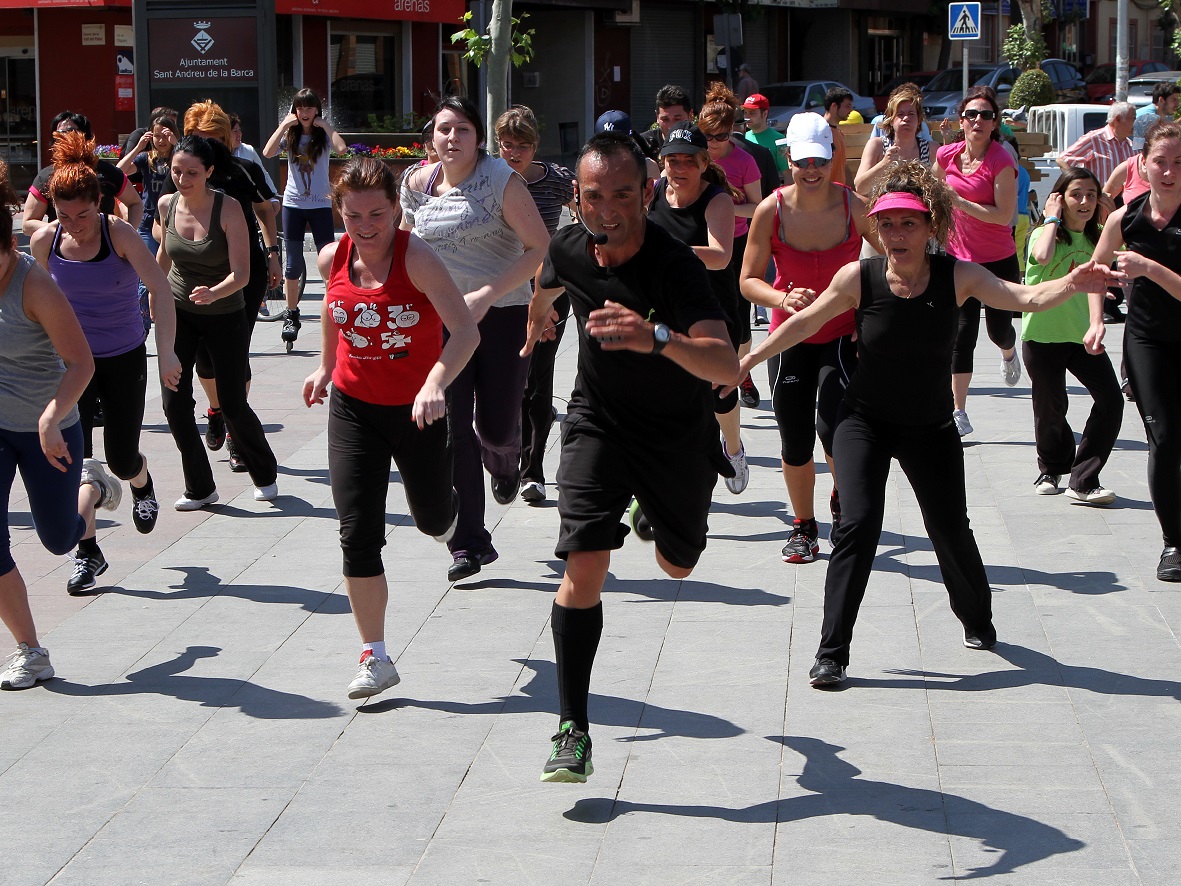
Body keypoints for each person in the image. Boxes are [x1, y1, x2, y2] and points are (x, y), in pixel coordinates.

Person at [732, 161, 1121, 687]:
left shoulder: (957, 275)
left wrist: (1073, 283)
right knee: (858, 524)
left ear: (930, 225)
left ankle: (978, 619)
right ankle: (832, 653)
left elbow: (1024, 297)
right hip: (863, 421)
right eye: (887, 224)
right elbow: (804, 322)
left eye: (908, 223)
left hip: (930, 427)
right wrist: (748, 363)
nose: (896, 234)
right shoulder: (860, 277)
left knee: (949, 528)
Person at [522, 131, 738, 781]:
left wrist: (656, 336)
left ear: (646, 193)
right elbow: (547, 281)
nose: (608, 208)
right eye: (594, 196)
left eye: (622, 193)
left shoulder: (675, 265)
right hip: (598, 423)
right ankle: (572, 730)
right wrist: (539, 319)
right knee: (583, 565)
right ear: (577, 200)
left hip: (677, 433)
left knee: (676, 564)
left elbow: (725, 363)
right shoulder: (567, 244)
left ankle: (651, 506)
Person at [303, 157, 479, 699]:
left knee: (430, 518)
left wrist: (435, 383)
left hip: (416, 410)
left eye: (377, 213)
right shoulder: (333, 256)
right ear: (339, 211)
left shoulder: (417, 257)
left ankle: (450, 524)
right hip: (355, 410)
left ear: (395, 209)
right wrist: (325, 366)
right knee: (357, 532)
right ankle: (374, 656)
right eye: (353, 214)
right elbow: (336, 315)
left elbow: (466, 332)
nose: (365, 225)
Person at [399, 96, 549, 582]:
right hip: (441, 323)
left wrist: (488, 293)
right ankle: (469, 544)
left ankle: (507, 467)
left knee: (498, 429)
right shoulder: (415, 185)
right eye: (444, 129)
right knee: (454, 431)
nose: (452, 138)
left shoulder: (501, 181)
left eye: (462, 129)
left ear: (478, 138)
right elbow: (402, 246)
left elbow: (539, 247)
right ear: (431, 137)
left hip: (500, 316)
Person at [30, 132, 181, 593]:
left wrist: (168, 352)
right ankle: (88, 551)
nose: (75, 225)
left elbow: (159, 289)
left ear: (101, 202)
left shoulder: (119, 235)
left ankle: (141, 481)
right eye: (64, 215)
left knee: (119, 454)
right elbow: (35, 306)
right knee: (74, 458)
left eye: (83, 214)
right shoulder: (45, 242)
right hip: (74, 363)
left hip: (123, 356)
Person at [740, 111, 873, 563]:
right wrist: (779, 299)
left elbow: (891, 259)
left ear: (831, 159)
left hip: (840, 336)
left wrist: (869, 314)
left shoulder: (854, 206)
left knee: (835, 432)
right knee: (795, 439)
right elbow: (748, 279)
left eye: (819, 161)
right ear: (788, 161)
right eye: (802, 162)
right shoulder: (770, 210)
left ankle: (841, 501)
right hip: (790, 338)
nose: (811, 171)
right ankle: (803, 527)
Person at [0, 157, 94, 690]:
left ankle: (92, 489)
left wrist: (51, 415)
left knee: (59, 539)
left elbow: (81, 362)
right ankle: (31, 651)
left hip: (48, 426)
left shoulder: (34, 285)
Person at [154, 135, 279, 509]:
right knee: (174, 403)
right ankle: (200, 487)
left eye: (192, 172)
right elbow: (164, 257)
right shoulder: (166, 204)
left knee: (232, 402)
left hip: (225, 313)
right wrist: (149, 292)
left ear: (209, 171)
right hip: (180, 312)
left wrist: (214, 292)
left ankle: (264, 472)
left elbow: (242, 274)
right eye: (177, 171)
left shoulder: (228, 209)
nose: (182, 178)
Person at [1088, 122, 1181, 582]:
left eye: (1179, 163)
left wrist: (1149, 269)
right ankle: (1174, 543)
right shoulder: (1125, 217)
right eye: (1160, 161)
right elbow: (1096, 269)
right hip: (1146, 340)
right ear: (1142, 164)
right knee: (1163, 437)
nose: (1168, 171)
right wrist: (1096, 317)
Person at [183, 101, 282, 471]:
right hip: (196, 276)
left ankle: (239, 439)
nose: (206, 145)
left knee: (235, 354)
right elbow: (161, 217)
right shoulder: (181, 171)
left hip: (244, 273)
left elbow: (265, 210)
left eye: (213, 139)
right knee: (204, 360)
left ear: (225, 139)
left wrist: (272, 253)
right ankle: (216, 410)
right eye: (197, 138)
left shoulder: (242, 170)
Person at [647, 124, 745, 494]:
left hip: (713, 309)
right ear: (663, 163)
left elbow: (720, 257)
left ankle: (732, 446)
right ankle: (675, 476)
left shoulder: (717, 200)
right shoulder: (656, 191)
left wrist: (668, 252)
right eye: (673, 160)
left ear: (704, 163)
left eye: (689, 161)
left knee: (720, 394)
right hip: (667, 309)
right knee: (675, 397)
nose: (679, 168)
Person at [1022, 167, 1122, 505]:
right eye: (1076, 194)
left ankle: (1083, 479)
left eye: (1091, 195)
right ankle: (1052, 467)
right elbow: (1042, 256)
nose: (1084, 201)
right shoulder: (1043, 234)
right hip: (1043, 335)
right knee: (1051, 407)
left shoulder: (1098, 238)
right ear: (1060, 198)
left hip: (1082, 337)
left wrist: (1097, 323)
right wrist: (1051, 219)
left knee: (1111, 399)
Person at [495, 107, 576, 505]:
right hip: (501, 296)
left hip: (549, 295)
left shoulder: (558, 181)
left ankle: (533, 471)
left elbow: (587, 218)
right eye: (507, 145)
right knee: (505, 384)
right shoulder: (490, 180)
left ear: (535, 146)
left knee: (538, 383)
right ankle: (503, 458)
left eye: (522, 145)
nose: (514, 152)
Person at [933, 86, 1021, 437]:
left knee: (998, 329)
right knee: (962, 335)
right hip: (959, 260)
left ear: (995, 122)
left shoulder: (1002, 160)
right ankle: (958, 411)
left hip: (998, 259)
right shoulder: (946, 156)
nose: (978, 121)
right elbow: (934, 196)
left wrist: (960, 202)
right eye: (972, 115)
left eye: (986, 115)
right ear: (961, 121)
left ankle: (1009, 351)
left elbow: (1004, 216)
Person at [698, 85, 764, 466]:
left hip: (737, 245)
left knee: (739, 321)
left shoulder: (746, 161)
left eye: (722, 137)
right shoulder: (695, 158)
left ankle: (742, 370)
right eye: (709, 137)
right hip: (704, 246)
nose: (716, 144)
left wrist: (725, 207)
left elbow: (757, 207)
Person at [263, 88, 347, 346]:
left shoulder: (322, 135)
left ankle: (333, 309)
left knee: (328, 262)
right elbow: (267, 152)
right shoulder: (290, 135)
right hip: (293, 205)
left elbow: (342, 149)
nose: (305, 113)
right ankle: (291, 314)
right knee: (293, 265)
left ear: (316, 111)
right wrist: (284, 125)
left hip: (320, 205)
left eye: (310, 108)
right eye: (300, 108)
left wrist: (326, 124)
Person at [23, 111, 143, 236]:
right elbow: (28, 223)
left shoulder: (107, 171)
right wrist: (66, 229)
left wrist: (126, 233)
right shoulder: (46, 176)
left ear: (85, 136)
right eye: (59, 134)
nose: (64, 137)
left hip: (106, 247)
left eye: (70, 132)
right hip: (63, 248)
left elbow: (135, 203)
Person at [116, 111, 177, 332]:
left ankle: (166, 314)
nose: (161, 141)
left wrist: (176, 144)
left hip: (172, 222)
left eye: (165, 136)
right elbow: (118, 172)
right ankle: (143, 323)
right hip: (147, 222)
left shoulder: (178, 159)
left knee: (167, 273)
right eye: (157, 136)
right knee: (145, 273)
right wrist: (137, 148)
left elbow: (192, 161)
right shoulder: (146, 159)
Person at [854, 83, 932, 195]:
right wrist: (884, 163)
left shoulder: (930, 149)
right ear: (891, 120)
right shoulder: (877, 146)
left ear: (919, 120)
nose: (906, 118)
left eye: (911, 114)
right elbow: (860, 187)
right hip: (885, 207)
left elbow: (942, 187)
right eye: (900, 114)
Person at [1056, 102, 1136, 185]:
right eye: (1133, 118)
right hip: (1100, 196)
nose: (1136, 122)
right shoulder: (1095, 139)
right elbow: (1063, 160)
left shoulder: (1131, 146)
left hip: (1126, 197)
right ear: (1118, 119)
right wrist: (1080, 185)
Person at [744, 93, 788, 184]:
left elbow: (788, 175)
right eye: (745, 112)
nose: (747, 117)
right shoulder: (743, 137)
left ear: (764, 114)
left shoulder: (779, 140)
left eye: (752, 113)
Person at [639, 85, 694, 156]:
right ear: (657, 117)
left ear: (690, 116)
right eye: (665, 119)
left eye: (677, 119)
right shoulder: (643, 145)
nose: (671, 126)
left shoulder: (702, 143)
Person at [822, 88, 854, 186]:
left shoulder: (839, 133)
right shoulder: (821, 133)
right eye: (847, 106)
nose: (851, 110)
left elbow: (843, 165)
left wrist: (852, 192)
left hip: (839, 195)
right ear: (834, 106)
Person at [1133, 83, 1179, 148]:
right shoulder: (1148, 118)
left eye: (1178, 100)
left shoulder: (1159, 116)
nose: (1177, 104)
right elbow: (1138, 147)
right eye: (1174, 99)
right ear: (1161, 100)